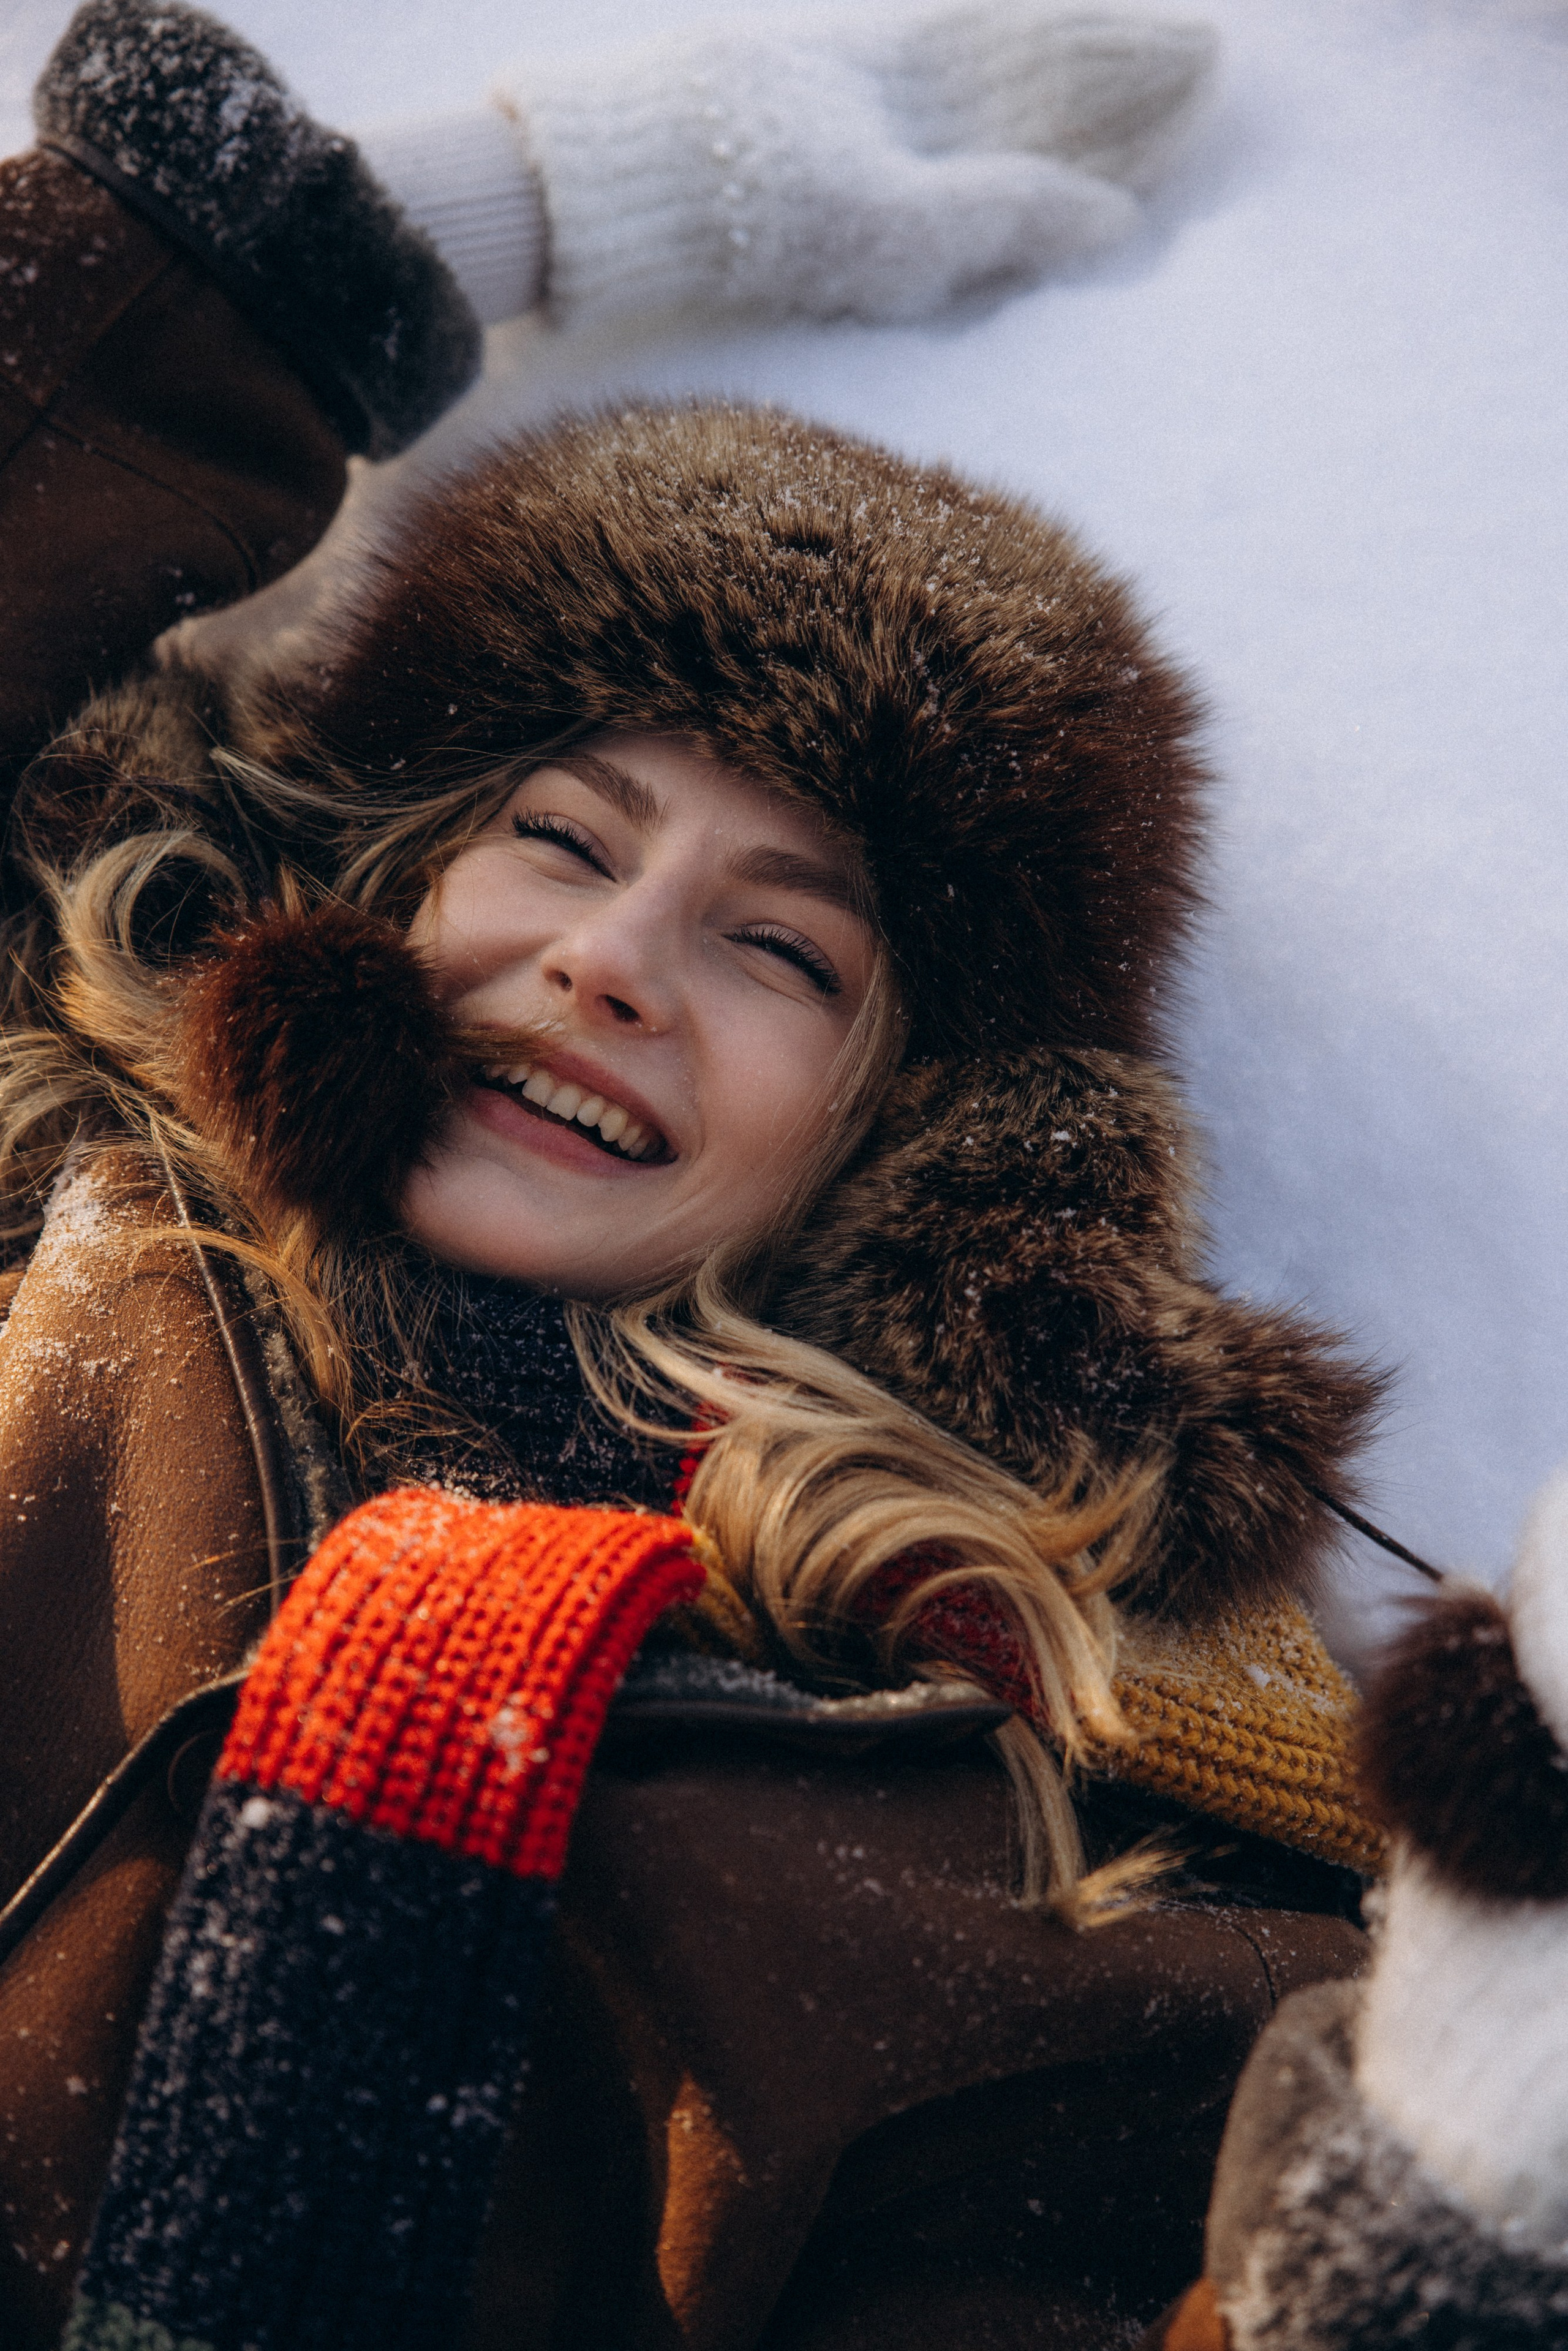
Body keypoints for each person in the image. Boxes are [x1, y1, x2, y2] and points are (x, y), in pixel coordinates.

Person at [0, 5, 1434, 2348]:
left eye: (780, 948)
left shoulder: (983, 1776)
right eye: (563, 838)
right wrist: (489, 212)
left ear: (905, 1151)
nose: (612, 961)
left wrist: (1470, 2156)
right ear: (390, 881)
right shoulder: (55, 1197)